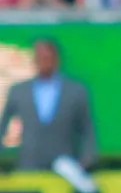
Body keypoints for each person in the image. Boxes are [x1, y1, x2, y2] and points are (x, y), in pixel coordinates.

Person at [0, 39, 98, 172]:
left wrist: (88, 157)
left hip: (65, 165)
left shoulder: (75, 91)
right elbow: (3, 124)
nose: (44, 62)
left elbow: (86, 128)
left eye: (47, 58)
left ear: (56, 59)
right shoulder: (19, 91)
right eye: (40, 58)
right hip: (29, 164)